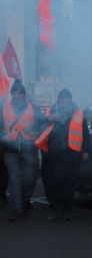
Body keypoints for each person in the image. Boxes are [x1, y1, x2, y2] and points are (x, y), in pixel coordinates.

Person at [35, 88, 90, 221]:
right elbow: (39, 127)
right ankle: (53, 209)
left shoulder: (79, 114)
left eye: (67, 98)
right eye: (62, 98)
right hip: (56, 153)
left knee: (70, 184)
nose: (64, 100)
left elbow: (85, 133)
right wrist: (50, 118)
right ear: (58, 100)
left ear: (70, 99)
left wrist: (86, 150)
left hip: (73, 153)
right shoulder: (51, 112)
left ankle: (66, 211)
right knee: (57, 181)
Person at [0, 79, 44, 221]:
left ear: (24, 95)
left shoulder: (33, 107)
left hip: (29, 148)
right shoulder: (3, 107)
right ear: (11, 94)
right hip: (9, 150)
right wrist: (2, 136)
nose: (17, 95)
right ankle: (17, 209)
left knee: (29, 179)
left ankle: (25, 200)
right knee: (14, 179)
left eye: (20, 93)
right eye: (14, 93)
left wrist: (34, 127)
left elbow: (42, 123)